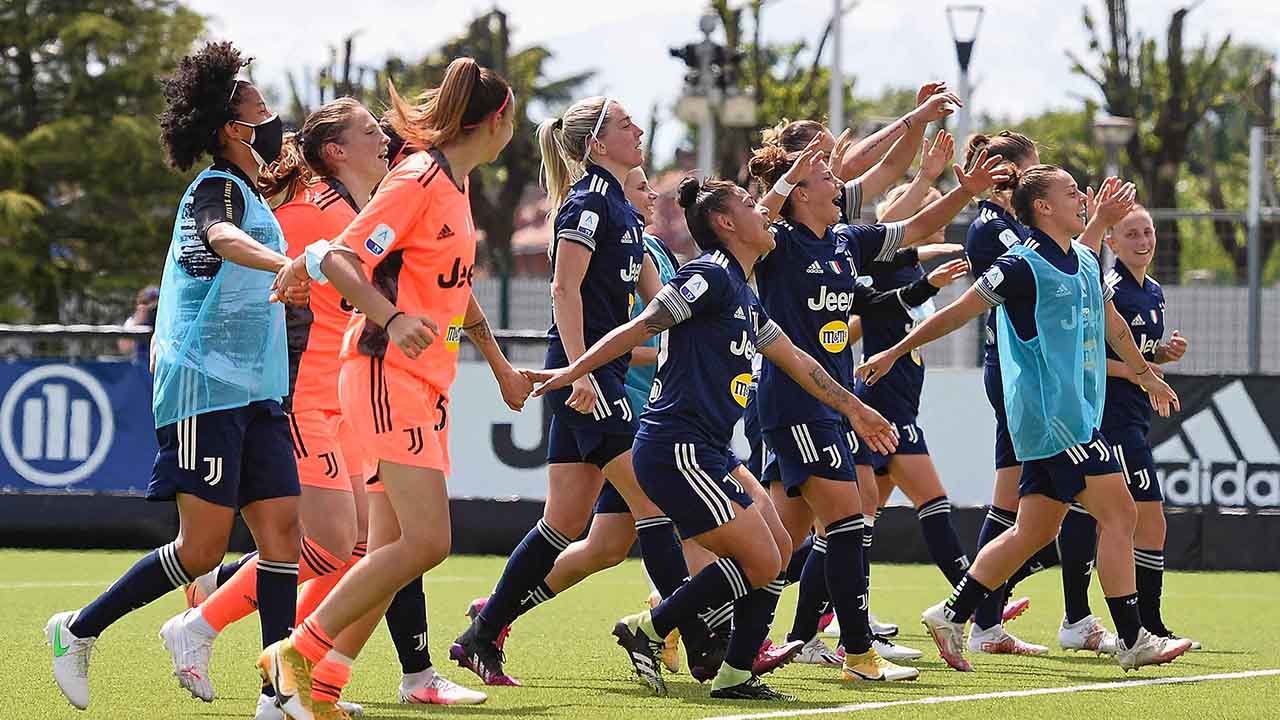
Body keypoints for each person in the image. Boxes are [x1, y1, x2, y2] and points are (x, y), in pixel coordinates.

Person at [527, 176, 899, 700]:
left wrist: (856, 409)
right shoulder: (711, 275)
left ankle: (732, 671)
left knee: (779, 549)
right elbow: (643, 325)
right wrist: (574, 370)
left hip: (710, 450)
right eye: (751, 205)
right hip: (676, 447)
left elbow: (798, 362)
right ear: (725, 224)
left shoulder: (745, 293)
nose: (764, 211)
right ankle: (653, 629)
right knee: (765, 561)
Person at [261, 57, 526, 720]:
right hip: (384, 376)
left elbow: (456, 295)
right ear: (495, 121)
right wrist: (393, 317)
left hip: (420, 385)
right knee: (427, 541)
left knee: (389, 553)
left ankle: (309, 695)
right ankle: (293, 655)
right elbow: (341, 257)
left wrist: (498, 367)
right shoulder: (419, 177)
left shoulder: (455, 186)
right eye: (511, 117)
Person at [47, 42, 306, 713]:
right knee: (202, 550)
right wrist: (284, 265)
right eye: (261, 111)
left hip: (256, 388)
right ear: (231, 128)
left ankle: (276, 697)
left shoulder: (249, 187)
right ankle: (76, 630)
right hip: (204, 387)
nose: (273, 120)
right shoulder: (214, 189)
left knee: (282, 537)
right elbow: (219, 239)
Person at [856, 163, 1193, 673]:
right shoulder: (1018, 265)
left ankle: (952, 614)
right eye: (1071, 192)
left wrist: (1147, 375)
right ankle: (1132, 637)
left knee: (1032, 531)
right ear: (1044, 207)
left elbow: (1114, 325)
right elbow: (958, 312)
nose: (1082, 198)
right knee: (1121, 513)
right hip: (1052, 419)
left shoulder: (1082, 259)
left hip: (1074, 415)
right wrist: (895, 350)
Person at [452, 96, 714, 688]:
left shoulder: (619, 209)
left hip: (601, 379)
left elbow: (650, 308)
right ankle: (695, 639)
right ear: (597, 144)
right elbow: (563, 294)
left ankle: (481, 634)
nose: (640, 128)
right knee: (654, 507)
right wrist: (582, 374)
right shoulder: (588, 205)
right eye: (626, 124)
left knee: (565, 524)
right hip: (588, 381)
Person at [745, 134, 1000, 680]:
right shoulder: (778, 243)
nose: (836, 184)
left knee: (779, 544)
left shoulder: (843, 240)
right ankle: (858, 654)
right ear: (796, 194)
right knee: (846, 521)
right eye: (822, 178)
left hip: (830, 406)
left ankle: (685, 625)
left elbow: (906, 233)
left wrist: (964, 193)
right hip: (796, 402)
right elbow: (754, 219)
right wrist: (787, 178)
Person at [960, 132, 1130, 654]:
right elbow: (1029, 287)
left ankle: (966, 615)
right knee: (1110, 510)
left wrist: (1144, 369)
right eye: (1035, 170)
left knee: (1030, 518)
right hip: (1035, 387)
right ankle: (1114, 629)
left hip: (1057, 388)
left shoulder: (1034, 237)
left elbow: (1075, 280)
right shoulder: (998, 234)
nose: (1078, 197)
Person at [1101, 204, 1198, 649]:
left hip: (1136, 418)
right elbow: (1094, 361)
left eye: (1148, 232)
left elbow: (1139, 351)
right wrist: (1146, 375)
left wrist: (1162, 353)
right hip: (1111, 419)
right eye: (1132, 234)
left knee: (1123, 522)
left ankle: (1142, 627)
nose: (1143, 241)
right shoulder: (1110, 290)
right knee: (1147, 520)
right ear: (1111, 242)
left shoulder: (1153, 290)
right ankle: (1143, 629)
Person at [118, 286, 160, 365]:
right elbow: (124, 348)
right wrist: (137, 322)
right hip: (141, 367)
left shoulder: (166, 320)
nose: (154, 309)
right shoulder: (132, 321)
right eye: (147, 302)